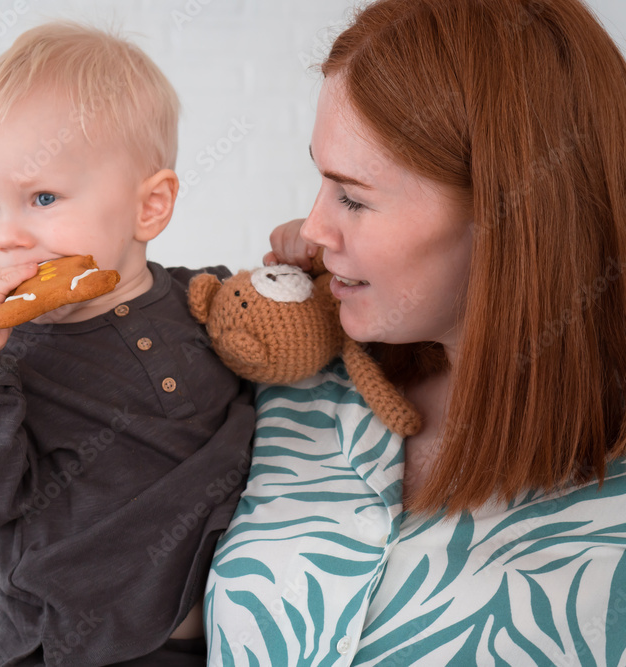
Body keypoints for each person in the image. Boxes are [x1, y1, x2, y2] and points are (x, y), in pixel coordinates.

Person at [204, 0, 626, 664]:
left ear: (508, 218)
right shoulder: (299, 381)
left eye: (353, 195)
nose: (313, 226)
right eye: (320, 178)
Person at [0, 21, 256, 667]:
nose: (5, 234)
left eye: (42, 196)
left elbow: (281, 357)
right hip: (72, 647)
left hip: (219, 638)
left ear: (149, 207)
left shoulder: (206, 301)